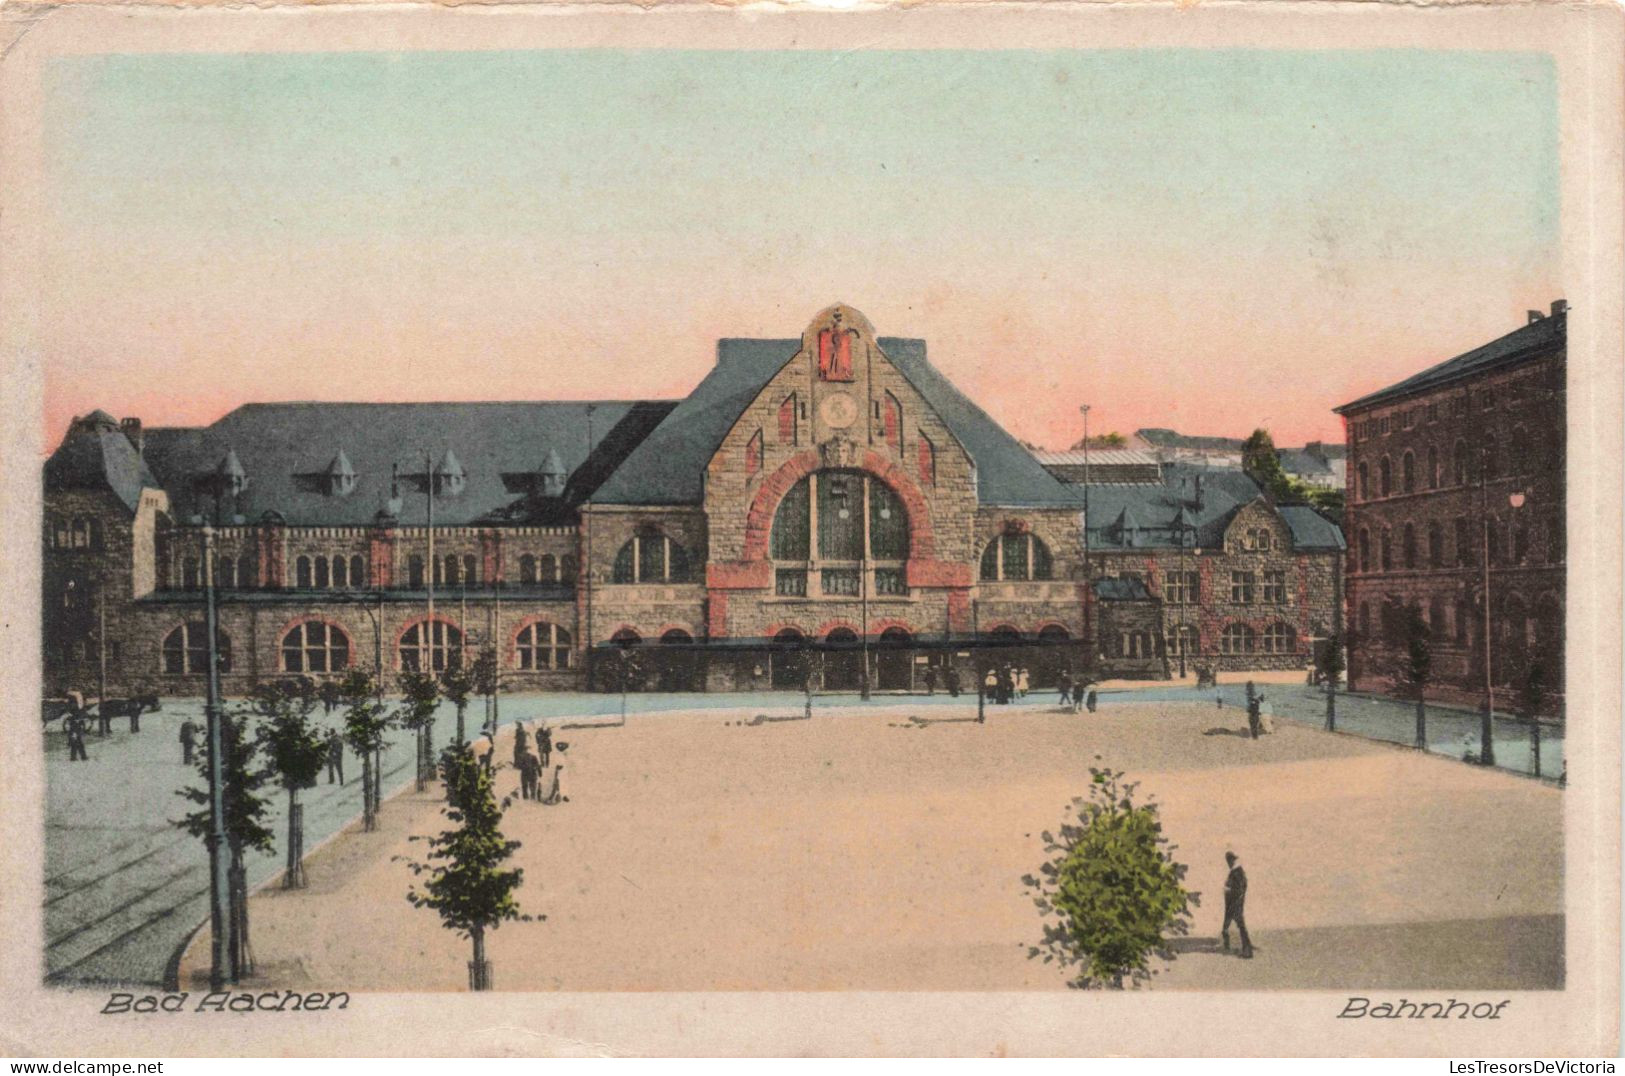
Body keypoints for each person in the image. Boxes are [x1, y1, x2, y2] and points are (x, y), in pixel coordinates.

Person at [1222, 851, 1253, 958]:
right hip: (1232, 903)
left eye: (1229, 860)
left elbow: (1241, 888)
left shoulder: (1237, 872)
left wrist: (1230, 891)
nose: (1228, 863)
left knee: (1240, 926)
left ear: (1232, 860)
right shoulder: (1235, 872)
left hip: (1235, 903)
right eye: (1228, 861)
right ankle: (1232, 946)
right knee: (1229, 925)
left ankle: (1247, 950)